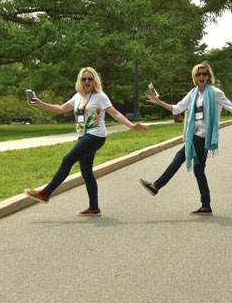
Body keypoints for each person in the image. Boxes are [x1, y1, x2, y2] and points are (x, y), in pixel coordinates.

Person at [138, 62, 232, 215]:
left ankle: (156, 186)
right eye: (198, 74)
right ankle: (206, 205)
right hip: (194, 134)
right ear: (195, 77)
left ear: (209, 76)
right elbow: (177, 108)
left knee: (179, 157)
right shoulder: (193, 93)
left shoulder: (216, 93)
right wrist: (158, 102)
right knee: (199, 170)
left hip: (204, 136)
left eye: (204, 74)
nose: (201, 76)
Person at [25, 67, 148, 215]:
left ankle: (45, 193)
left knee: (67, 159)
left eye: (90, 78)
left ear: (95, 80)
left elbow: (115, 113)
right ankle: (94, 207)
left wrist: (132, 126)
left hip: (95, 135)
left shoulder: (100, 96)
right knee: (86, 172)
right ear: (80, 81)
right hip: (84, 135)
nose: (87, 81)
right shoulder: (78, 96)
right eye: (84, 79)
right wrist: (40, 103)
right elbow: (61, 108)